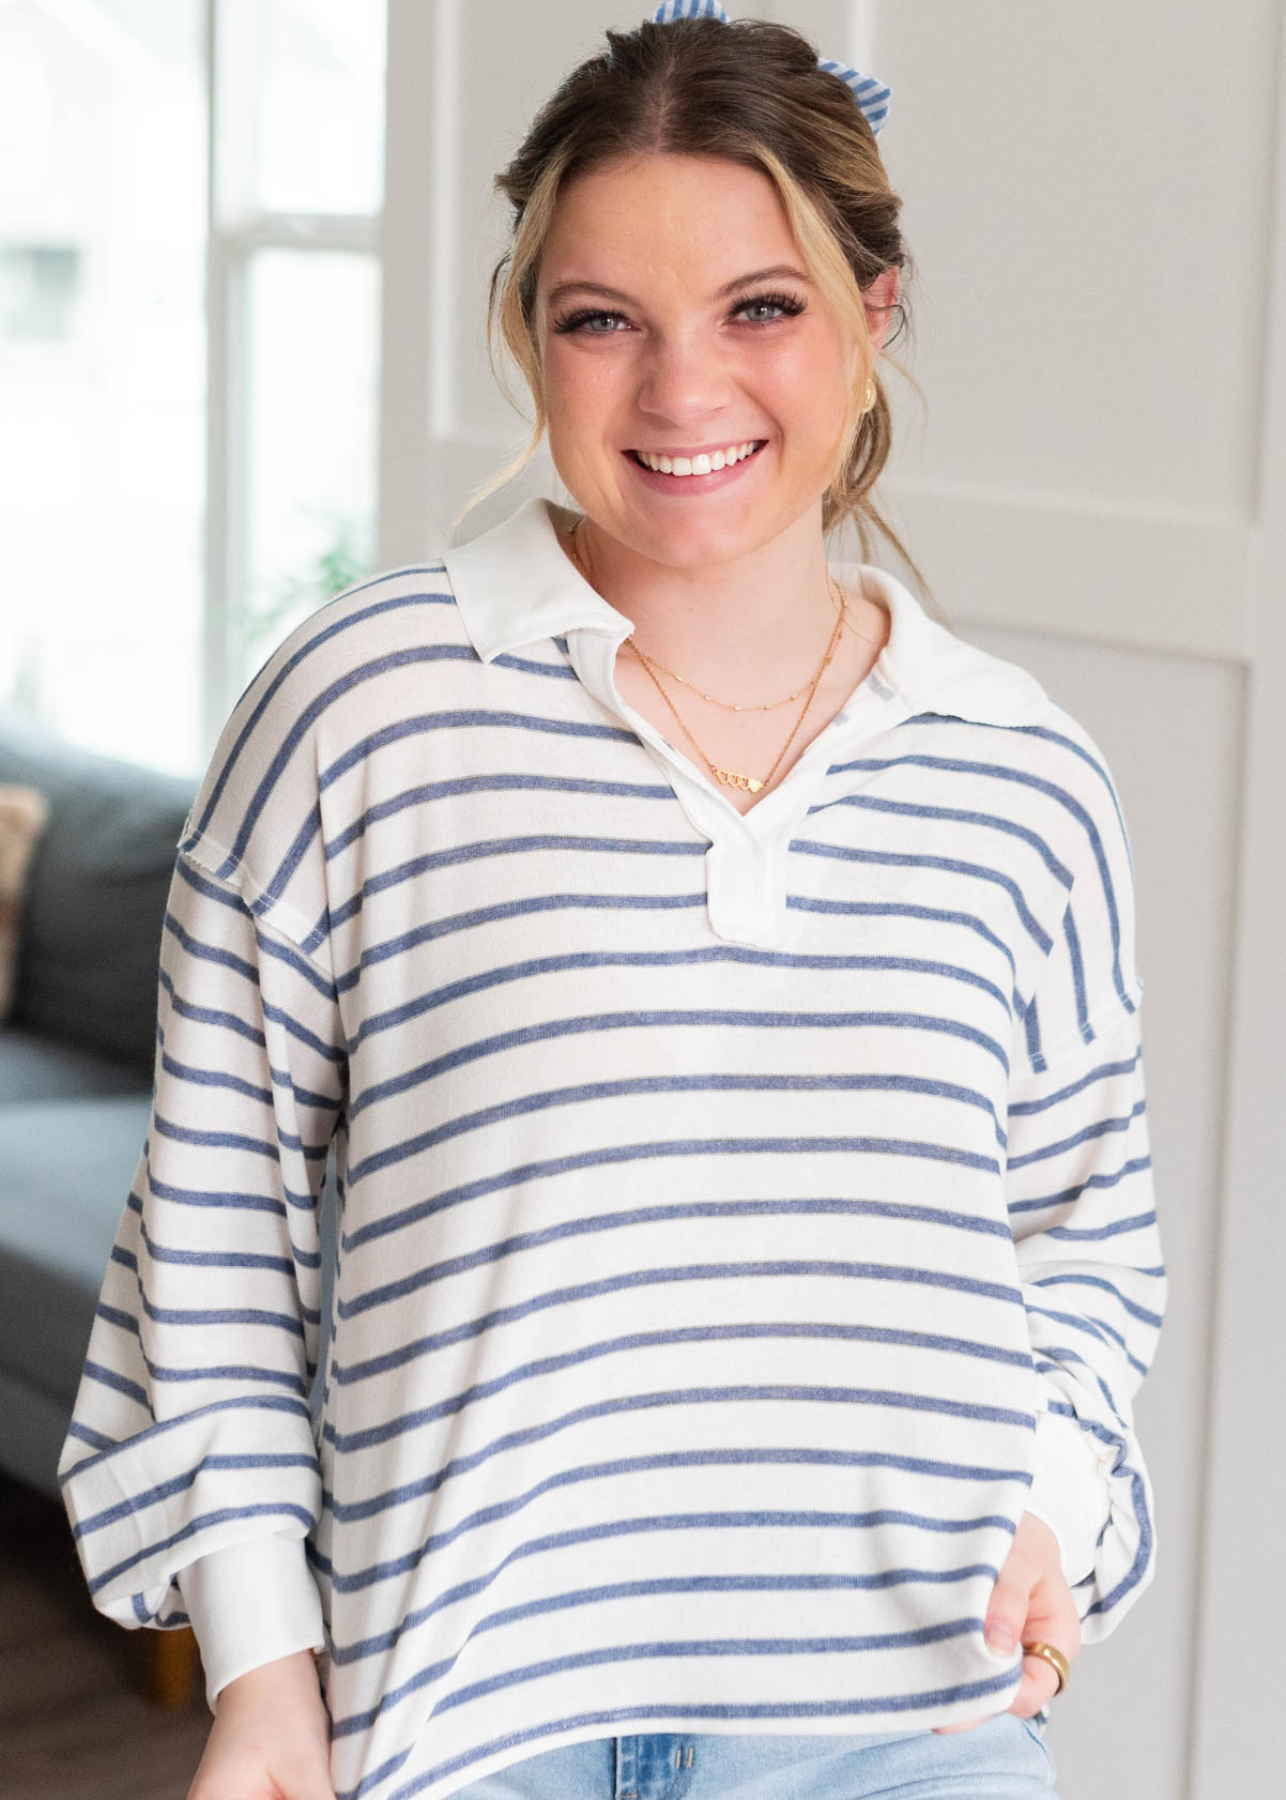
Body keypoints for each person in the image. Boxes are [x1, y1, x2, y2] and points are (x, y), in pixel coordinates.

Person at [56, 7, 1166, 1800]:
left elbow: (1082, 1233)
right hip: (463, 1709)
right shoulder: (357, 708)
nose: (679, 391)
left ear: (872, 318)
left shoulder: (1021, 775)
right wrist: (265, 1666)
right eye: (601, 321)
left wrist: (1050, 1490)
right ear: (528, 333)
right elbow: (214, 1233)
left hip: (909, 1719)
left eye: (760, 307)